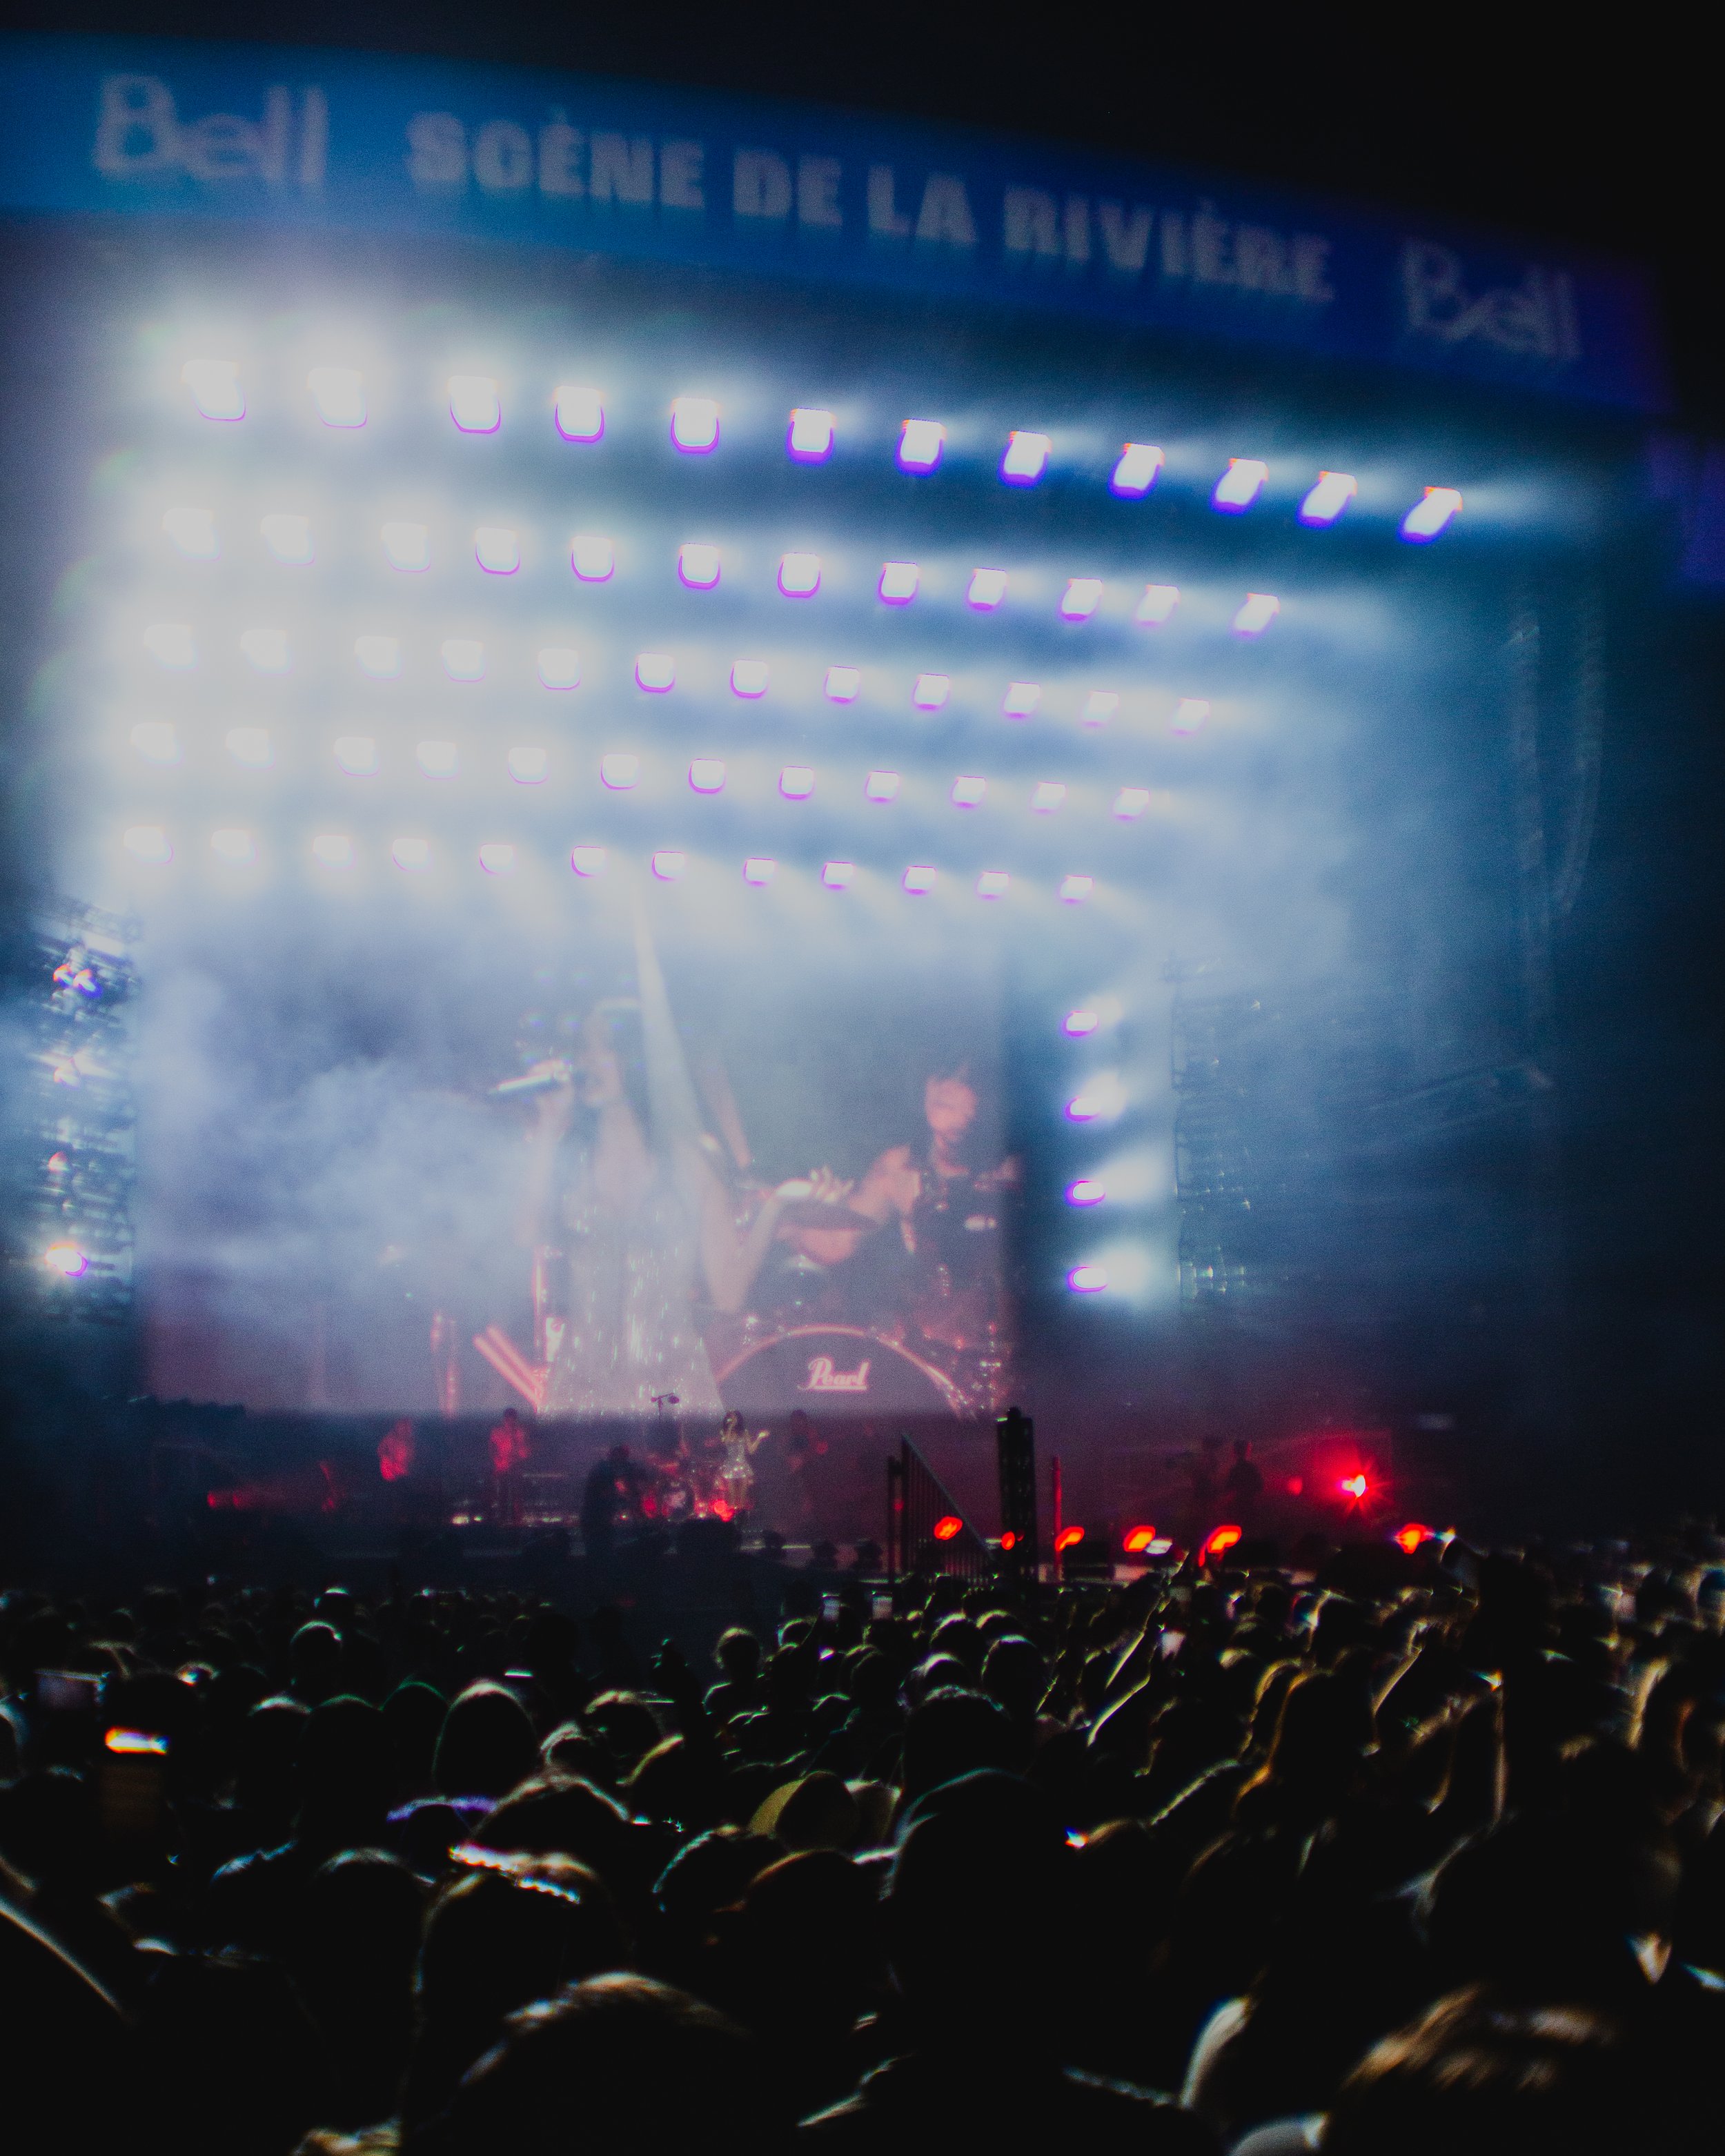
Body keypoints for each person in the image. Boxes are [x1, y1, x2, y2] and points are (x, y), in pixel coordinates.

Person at [519, 1009, 833, 1417]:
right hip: (581, 1395)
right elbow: (525, 1235)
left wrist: (777, 1206)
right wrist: (547, 1127)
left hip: (670, 1393)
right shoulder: (572, 1157)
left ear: (637, 1059)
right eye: (583, 1048)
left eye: (605, 1048)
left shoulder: (690, 1161)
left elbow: (728, 1293)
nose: (587, 1062)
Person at [488, 1409, 531, 1527]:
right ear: (505, 1419)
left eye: (513, 1419)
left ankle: (517, 1520)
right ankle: (502, 1520)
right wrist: (498, 1461)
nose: (511, 1422)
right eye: (508, 1419)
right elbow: (491, 1449)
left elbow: (526, 1450)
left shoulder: (521, 1432)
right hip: (502, 1468)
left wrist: (521, 1454)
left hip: (516, 1467)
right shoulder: (497, 1432)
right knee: (503, 1494)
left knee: (517, 1494)